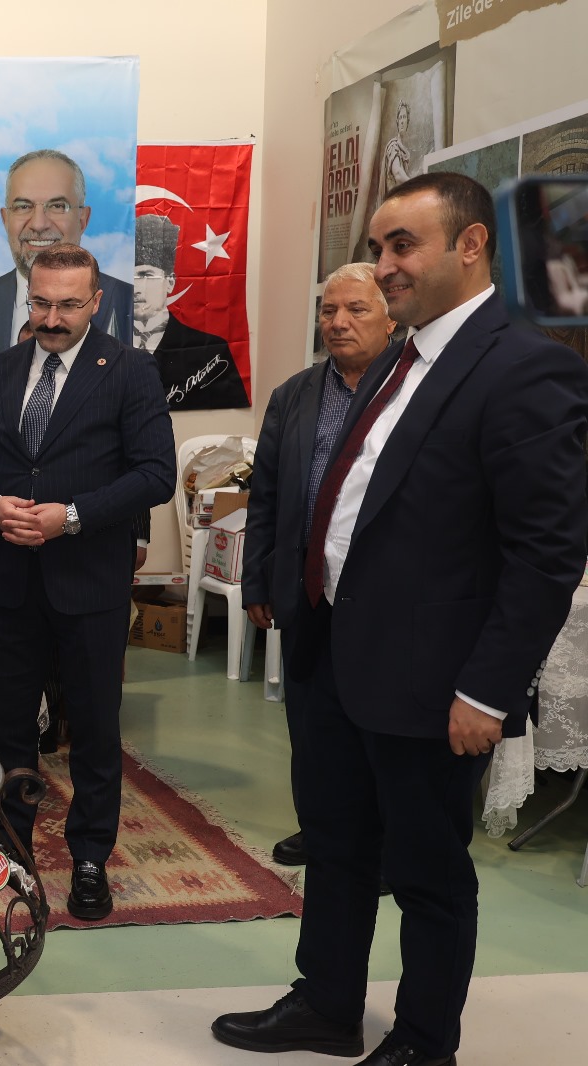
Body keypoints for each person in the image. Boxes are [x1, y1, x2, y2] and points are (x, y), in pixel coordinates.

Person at [212, 172, 588, 1066]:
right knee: (338, 847)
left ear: (471, 245)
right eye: (378, 248)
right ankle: (327, 1005)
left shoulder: (524, 367)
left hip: (434, 679)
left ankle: (423, 1041)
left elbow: (546, 554)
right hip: (336, 656)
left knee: (426, 872)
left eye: (402, 246)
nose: (383, 267)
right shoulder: (399, 359)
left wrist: (488, 691)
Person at [0, 243, 174, 919]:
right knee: (10, 728)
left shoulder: (130, 371)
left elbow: (155, 474)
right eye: (41, 303)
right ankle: (8, 850)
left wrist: (70, 516)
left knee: (95, 732)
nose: (52, 318)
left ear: (96, 302)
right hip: (12, 582)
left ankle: (90, 859)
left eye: (68, 305)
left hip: (91, 583)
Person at [240, 263, 396, 869]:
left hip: (384, 595)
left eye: (356, 309)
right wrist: (258, 579)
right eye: (329, 311)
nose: (338, 322)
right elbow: (266, 495)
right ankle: (319, 828)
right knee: (308, 720)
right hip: (308, 589)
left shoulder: (413, 389)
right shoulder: (294, 394)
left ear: (390, 317)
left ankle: (382, 844)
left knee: (379, 723)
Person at [0, 149, 135, 446]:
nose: (38, 224)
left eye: (58, 206)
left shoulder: (129, 303)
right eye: (23, 206)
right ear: (5, 219)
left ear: (83, 218)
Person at [132, 213, 249, 410]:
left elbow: (229, 411)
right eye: (130, 277)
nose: (136, 288)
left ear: (170, 282)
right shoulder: (104, 346)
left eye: (146, 275)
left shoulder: (211, 350)